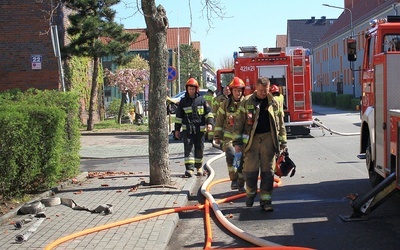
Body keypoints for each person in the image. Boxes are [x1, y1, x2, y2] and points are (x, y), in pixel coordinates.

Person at [233, 77, 287, 212]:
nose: (264, 93)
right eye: (261, 90)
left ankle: (266, 201)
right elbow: (238, 123)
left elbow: (280, 123)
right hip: (252, 141)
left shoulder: (274, 102)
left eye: (266, 90)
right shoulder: (246, 102)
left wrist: (282, 142)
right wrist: (237, 143)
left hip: (269, 139)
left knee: (267, 172)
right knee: (249, 171)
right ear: (256, 88)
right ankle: (250, 194)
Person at [174, 78, 214, 177]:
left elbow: (208, 113)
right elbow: (178, 117)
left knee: (199, 148)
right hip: (187, 130)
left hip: (199, 130)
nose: (191, 91)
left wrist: (209, 123)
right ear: (187, 89)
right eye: (189, 89)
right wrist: (177, 130)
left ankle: (199, 167)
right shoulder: (183, 102)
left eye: (193, 89)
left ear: (196, 89)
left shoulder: (202, 100)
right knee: (188, 148)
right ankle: (189, 169)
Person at [214, 77, 246, 192]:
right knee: (231, 153)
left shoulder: (246, 103)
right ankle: (234, 179)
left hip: (243, 138)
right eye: (236, 90)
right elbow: (219, 120)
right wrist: (217, 136)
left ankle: (241, 184)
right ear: (232, 91)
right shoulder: (226, 104)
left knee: (242, 160)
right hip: (229, 137)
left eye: (240, 90)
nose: (238, 93)